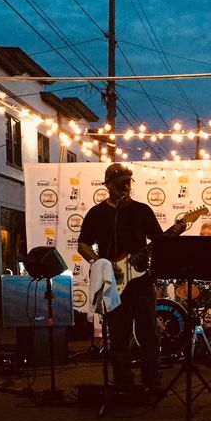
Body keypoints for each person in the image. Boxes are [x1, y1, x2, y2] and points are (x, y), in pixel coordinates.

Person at [78, 162, 164, 395]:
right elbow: (83, 244)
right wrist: (99, 264)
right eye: (120, 184)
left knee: (149, 333)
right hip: (113, 284)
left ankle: (152, 379)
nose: (126, 187)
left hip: (141, 282)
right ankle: (123, 380)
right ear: (108, 186)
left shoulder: (142, 210)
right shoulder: (97, 213)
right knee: (119, 336)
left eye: (128, 183)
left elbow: (159, 241)